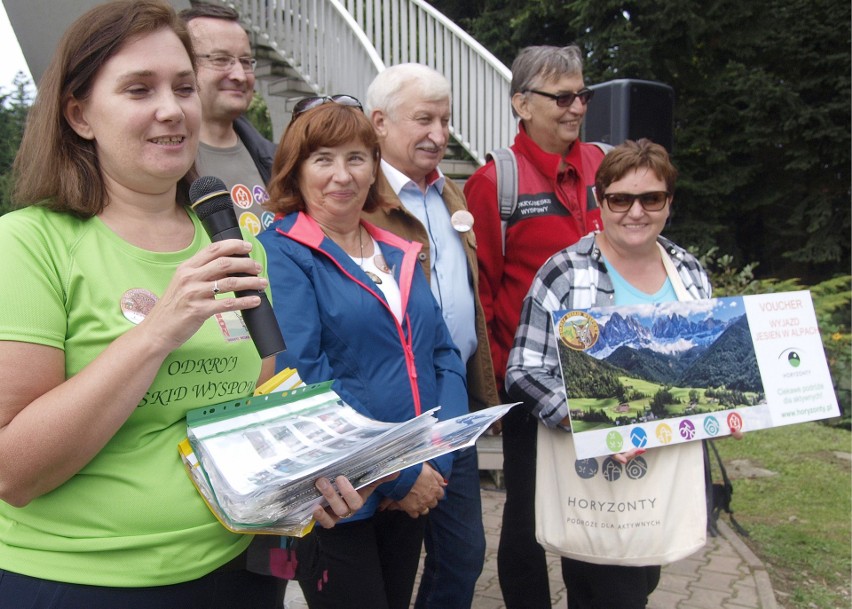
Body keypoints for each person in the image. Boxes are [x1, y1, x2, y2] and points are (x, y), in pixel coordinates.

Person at [0, 3, 370, 607]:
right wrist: (156, 333)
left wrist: (310, 474)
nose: (171, 109)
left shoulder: (232, 240)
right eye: (139, 89)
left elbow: (253, 407)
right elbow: (14, 471)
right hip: (80, 580)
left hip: (235, 569)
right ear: (79, 114)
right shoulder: (28, 243)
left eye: (181, 87)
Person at [257, 98, 469, 609]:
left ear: (375, 167)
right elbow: (301, 377)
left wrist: (437, 456)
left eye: (356, 157)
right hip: (339, 492)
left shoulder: (399, 251)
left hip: (414, 481)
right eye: (322, 158)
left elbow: (442, 354)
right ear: (296, 170)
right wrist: (399, 470)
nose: (342, 175)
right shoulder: (282, 253)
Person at [505, 139, 711, 608]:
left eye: (651, 199)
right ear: (601, 201)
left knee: (642, 579)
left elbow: (700, 365)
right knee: (614, 592)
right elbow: (523, 368)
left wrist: (726, 409)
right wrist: (591, 420)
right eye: (621, 199)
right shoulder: (564, 272)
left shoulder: (690, 272)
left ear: (668, 203)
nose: (635, 212)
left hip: (667, 465)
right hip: (595, 472)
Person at [463, 44, 608, 608]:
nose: (576, 108)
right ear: (521, 103)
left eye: (582, 95)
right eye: (562, 97)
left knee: (599, 511)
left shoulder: (603, 166)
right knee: (527, 518)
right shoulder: (495, 182)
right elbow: (487, 293)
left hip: (604, 378)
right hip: (533, 381)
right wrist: (499, 386)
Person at [362, 63, 498, 609]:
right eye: (424, 119)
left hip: (453, 403)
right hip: (395, 412)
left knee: (462, 558)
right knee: (392, 565)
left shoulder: (452, 196)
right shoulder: (360, 201)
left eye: (445, 120)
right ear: (379, 123)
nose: (439, 135)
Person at [180, 2, 276, 236]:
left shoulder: (275, 160)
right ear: (183, 63)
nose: (239, 75)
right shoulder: (163, 164)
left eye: (245, 61)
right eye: (221, 60)